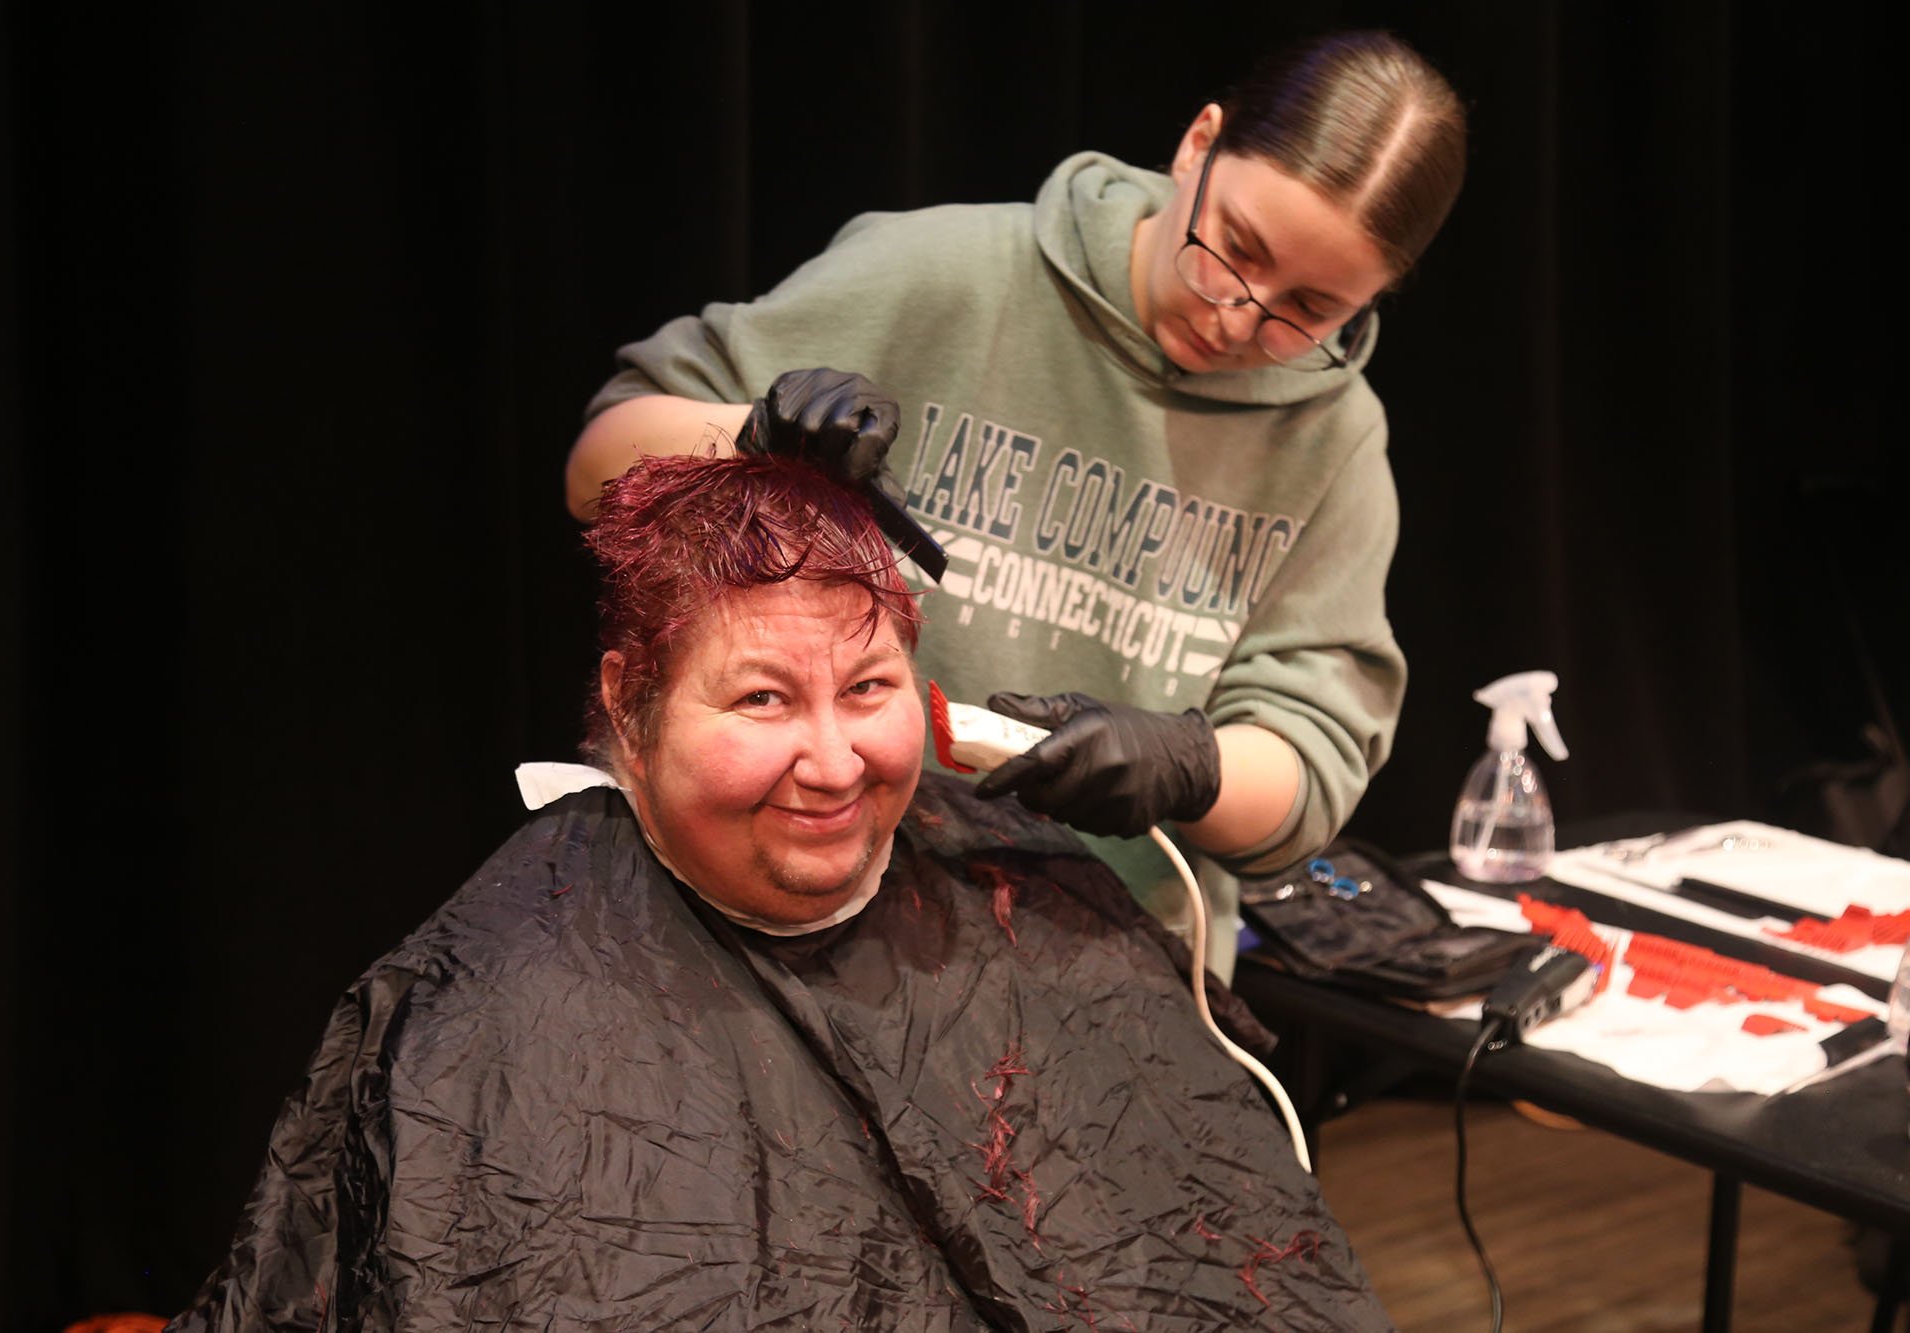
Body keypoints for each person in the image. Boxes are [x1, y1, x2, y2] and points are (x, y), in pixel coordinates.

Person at [168, 454, 1390, 1329]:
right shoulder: (486, 1014)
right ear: (630, 706)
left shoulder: (1035, 898)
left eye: (867, 689)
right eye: (760, 699)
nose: (833, 761)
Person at [565, 31, 1468, 940]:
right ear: (1199, 142)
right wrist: (751, 435)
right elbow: (597, 464)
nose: (1236, 316)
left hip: (1101, 957)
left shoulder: (1337, 443)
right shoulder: (941, 274)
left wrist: (1192, 766)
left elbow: (1307, 773)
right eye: (1232, 247)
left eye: (1308, 311)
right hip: (808, 913)